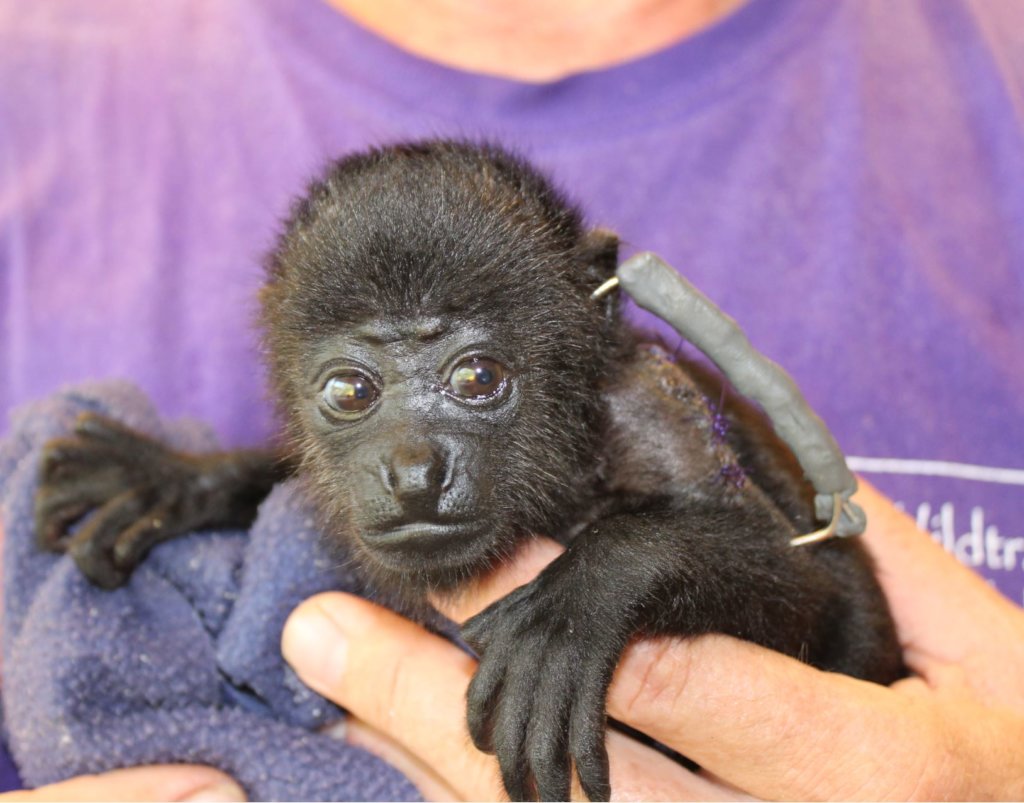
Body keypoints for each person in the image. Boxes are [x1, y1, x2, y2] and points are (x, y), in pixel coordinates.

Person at [0, 0, 1022, 798]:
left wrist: (595, 598)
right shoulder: (38, 90)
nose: (409, 461)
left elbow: (773, 570)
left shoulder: (634, 402)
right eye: (352, 390)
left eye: (474, 379)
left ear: (572, 357)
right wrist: (204, 484)